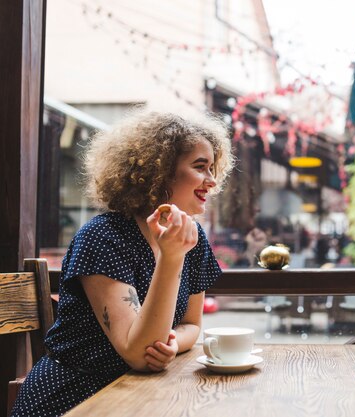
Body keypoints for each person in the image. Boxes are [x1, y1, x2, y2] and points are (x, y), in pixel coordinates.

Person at [12, 110, 235, 416]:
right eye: (200, 168)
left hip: (138, 396)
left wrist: (169, 343)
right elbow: (138, 354)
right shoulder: (102, 236)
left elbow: (192, 325)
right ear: (161, 172)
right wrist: (171, 258)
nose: (211, 181)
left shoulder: (191, 237)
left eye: (212, 169)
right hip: (76, 398)